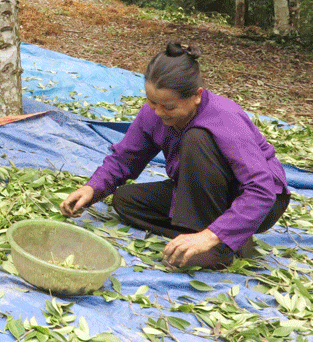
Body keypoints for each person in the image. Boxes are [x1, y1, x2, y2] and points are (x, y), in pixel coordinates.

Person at [60, 42, 290, 269]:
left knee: (196, 139)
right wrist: (92, 188)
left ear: (197, 96)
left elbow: (261, 190)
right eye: (152, 102)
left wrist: (210, 236)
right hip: (200, 193)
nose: (159, 112)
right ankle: (229, 236)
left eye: (169, 107)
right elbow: (125, 158)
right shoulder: (155, 113)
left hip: (256, 199)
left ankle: (217, 247)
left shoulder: (225, 118)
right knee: (125, 201)